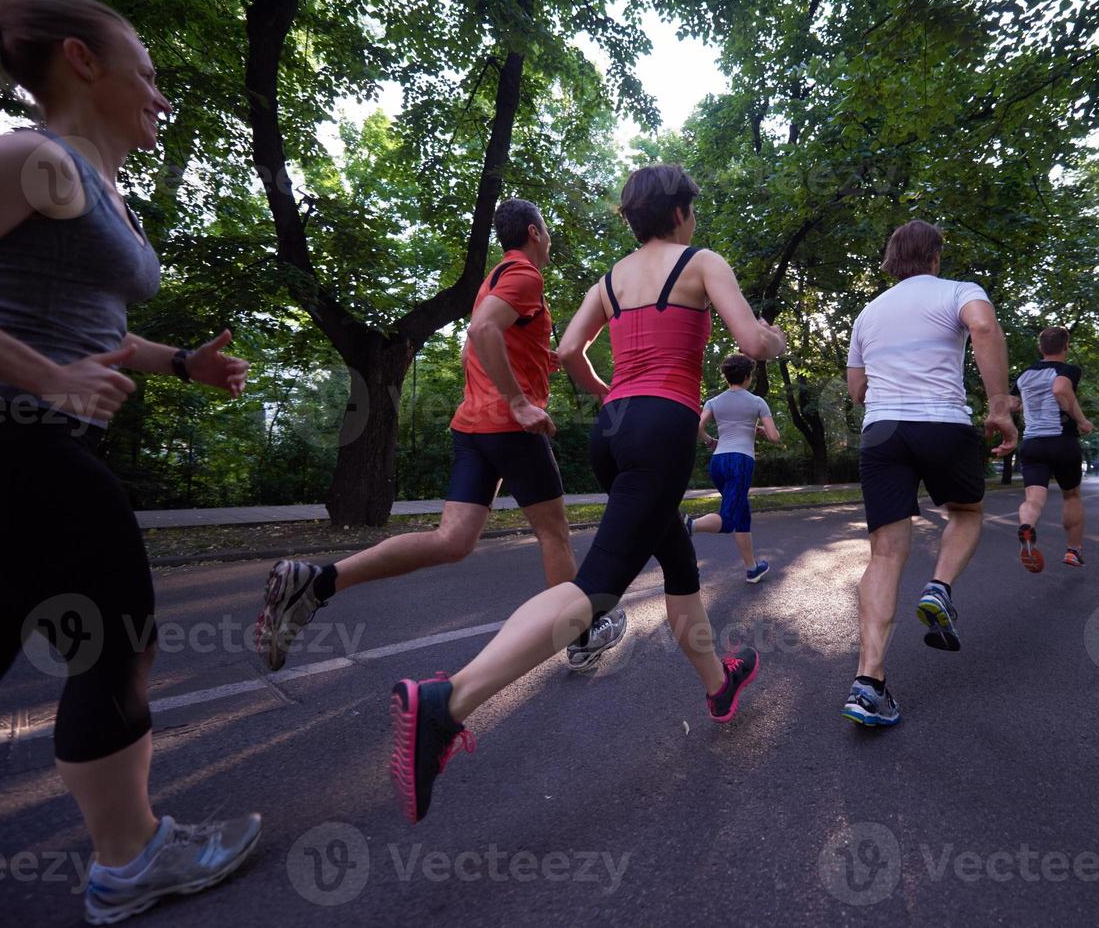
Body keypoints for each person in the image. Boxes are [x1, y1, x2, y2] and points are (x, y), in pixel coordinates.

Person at [0, 0, 259, 924]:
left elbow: (85, 322)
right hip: (2, 433)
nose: (160, 96)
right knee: (118, 636)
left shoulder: (89, 182)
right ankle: (129, 858)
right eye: (147, 75)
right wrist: (46, 379)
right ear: (81, 61)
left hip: (17, 437)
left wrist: (180, 363)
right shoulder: (40, 159)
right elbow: (44, 349)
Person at [388, 164, 787, 824]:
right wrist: (770, 337)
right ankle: (449, 700)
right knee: (599, 587)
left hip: (614, 432)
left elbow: (569, 350)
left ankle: (719, 686)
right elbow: (749, 341)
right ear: (682, 213)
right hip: (661, 429)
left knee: (678, 564)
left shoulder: (610, 280)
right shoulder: (701, 261)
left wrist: (609, 394)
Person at [256, 199, 626, 674]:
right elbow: (482, 330)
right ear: (534, 232)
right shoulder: (524, 275)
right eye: (548, 232)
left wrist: (557, 366)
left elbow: (503, 337)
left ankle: (317, 582)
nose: (550, 241)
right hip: (508, 426)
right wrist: (517, 402)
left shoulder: (494, 278)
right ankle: (582, 633)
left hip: (473, 427)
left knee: (452, 540)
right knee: (553, 533)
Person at [841, 220, 1016, 728]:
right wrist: (1000, 406)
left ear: (892, 262)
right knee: (965, 513)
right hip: (942, 423)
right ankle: (939, 587)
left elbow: (857, 390)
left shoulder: (868, 313)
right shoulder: (960, 291)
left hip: (882, 433)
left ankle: (868, 682)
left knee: (885, 553)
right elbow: (983, 327)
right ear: (935, 256)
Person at [685, 353, 781, 582]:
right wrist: (763, 432)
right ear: (747, 376)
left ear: (727, 377)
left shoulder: (714, 402)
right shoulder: (757, 402)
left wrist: (709, 440)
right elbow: (775, 437)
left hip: (718, 462)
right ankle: (688, 526)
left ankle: (752, 568)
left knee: (741, 513)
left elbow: (697, 426)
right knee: (728, 520)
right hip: (741, 462)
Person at [1011, 326, 1093, 571]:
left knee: (1033, 499)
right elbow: (1059, 389)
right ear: (1066, 346)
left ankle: (1027, 526)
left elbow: (1012, 403)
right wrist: (1081, 420)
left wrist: (1031, 402)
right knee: (1071, 495)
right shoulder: (1068, 370)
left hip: (1033, 444)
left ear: (1040, 348)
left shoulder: (1024, 375)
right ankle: (1073, 551)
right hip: (1061, 442)